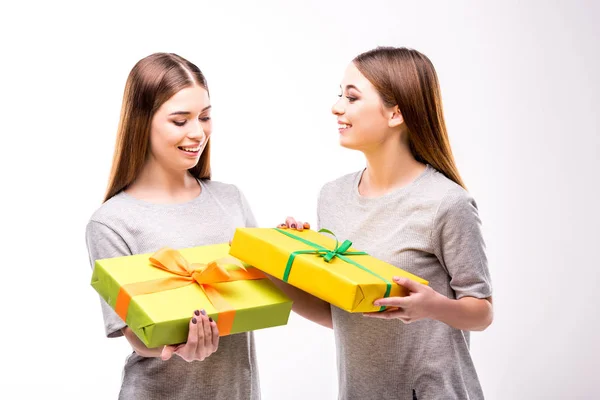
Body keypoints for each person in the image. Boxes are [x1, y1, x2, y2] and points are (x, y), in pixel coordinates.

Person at [278, 47, 493, 400]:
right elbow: (345, 315)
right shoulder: (331, 197)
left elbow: (481, 312)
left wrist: (431, 306)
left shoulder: (446, 203)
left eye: (352, 97)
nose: (336, 107)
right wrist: (283, 262)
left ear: (396, 114)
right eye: (339, 95)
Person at [86, 53, 260, 400]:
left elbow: (266, 284)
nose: (198, 133)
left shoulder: (230, 199)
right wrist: (172, 347)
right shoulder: (111, 222)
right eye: (180, 121)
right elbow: (135, 334)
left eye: (205, 117)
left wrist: (289, 241)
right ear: (142, 122)